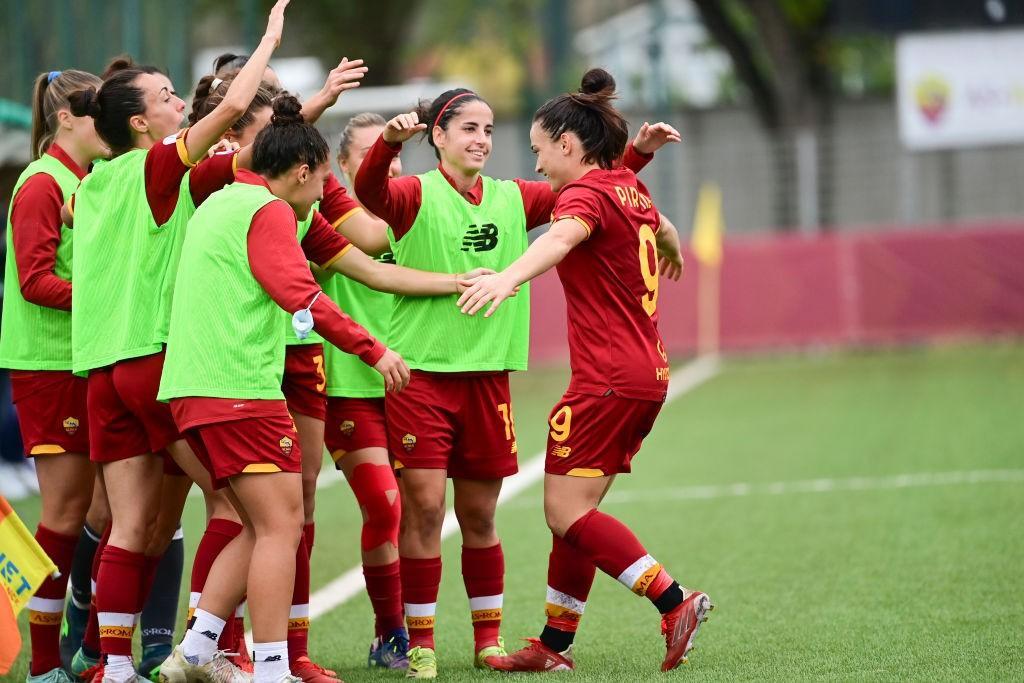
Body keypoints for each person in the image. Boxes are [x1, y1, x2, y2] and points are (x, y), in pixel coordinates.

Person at [155, 93, 487, 683]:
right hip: (239, 390)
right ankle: (274, 667)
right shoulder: (272, 211)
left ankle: (199, 652)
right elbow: (300, 295)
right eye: (326, 179)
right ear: (303, 171)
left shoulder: (219, 202)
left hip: (191, 390)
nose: (328, 195)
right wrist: (375, 349)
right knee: (283, 527)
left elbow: (369, 264)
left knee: (253, 523)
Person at [353, 87, 677, 679]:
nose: (481, 139)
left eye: (489, 129)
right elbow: (369, 195)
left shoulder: (513, 197)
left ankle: (487, 642)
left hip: (488, 380)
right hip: (423, 375)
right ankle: (420, 643)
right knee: (424, 510)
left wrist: (634, 157)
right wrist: (386, 145)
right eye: (468, 128)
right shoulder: (414, 193)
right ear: (440, 137)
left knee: (479, 516)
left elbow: (590, 189)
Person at [456, 68, 708, 674]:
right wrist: (670, 243)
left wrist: (507, 277)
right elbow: (664, 227)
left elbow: (563, 237)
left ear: (568, 145)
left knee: (566, 513)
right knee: (576, 519)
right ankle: (553, 646)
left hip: (605, 381)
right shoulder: (628, 187)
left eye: (540, 151)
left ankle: (674, 603)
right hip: (646, 375)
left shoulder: (584, 196)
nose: (538, 165)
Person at [65, 3, 290, 680]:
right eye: (166, 97)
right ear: (141, 122)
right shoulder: (155, 168)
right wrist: (270, 39)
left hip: (102, 373)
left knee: (130, 528)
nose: (176, 103)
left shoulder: (93, 181)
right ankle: (211, 643)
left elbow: (247, 151)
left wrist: (308, 107)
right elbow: (233, 109)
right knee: (245, 505)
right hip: (159, 364)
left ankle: (112, 665)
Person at [0, 68, 106, 683]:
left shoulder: (83, 178)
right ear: (66, 117)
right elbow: (36, 279)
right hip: (49, 364)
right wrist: (110, 296)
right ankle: (45, 665)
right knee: (66, 514)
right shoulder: (41, 183)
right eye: (97, 113)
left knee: (108, 512)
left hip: (84, 358)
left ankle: (89, 648)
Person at [323, 112, 406, 669]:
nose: (390, 163)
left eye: (397, 155)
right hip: (351, 386)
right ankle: (392, 631)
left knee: (415, 514)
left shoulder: (416, 213)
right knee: (383, 504)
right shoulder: (325, 222)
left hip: (413, 387)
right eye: (376, 153)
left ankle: (399, 634)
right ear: (346, 166)